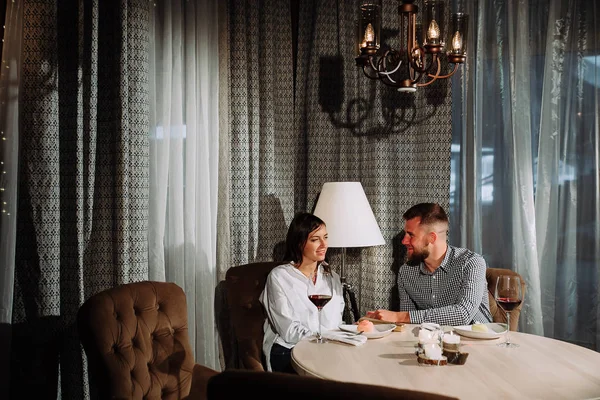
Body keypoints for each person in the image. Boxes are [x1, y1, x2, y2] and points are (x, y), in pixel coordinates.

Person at [366, 203, 492, 326]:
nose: (404, 241)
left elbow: (463, 314)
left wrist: (399, 316)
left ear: (431, 238)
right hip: (430, 342)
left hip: (477, 341)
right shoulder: (406, 273)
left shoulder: (471, 263)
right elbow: (408, 325)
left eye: (411, 235)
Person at [259, 212, 345, 373]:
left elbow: (336, 322)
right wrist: (323, 339)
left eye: (325, 237)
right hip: (289, 349)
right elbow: (288, 329)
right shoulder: (279, 277)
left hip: (327, 348)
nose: (323, 244)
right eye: (315, 239)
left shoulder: (331, 277)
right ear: (299, 243)